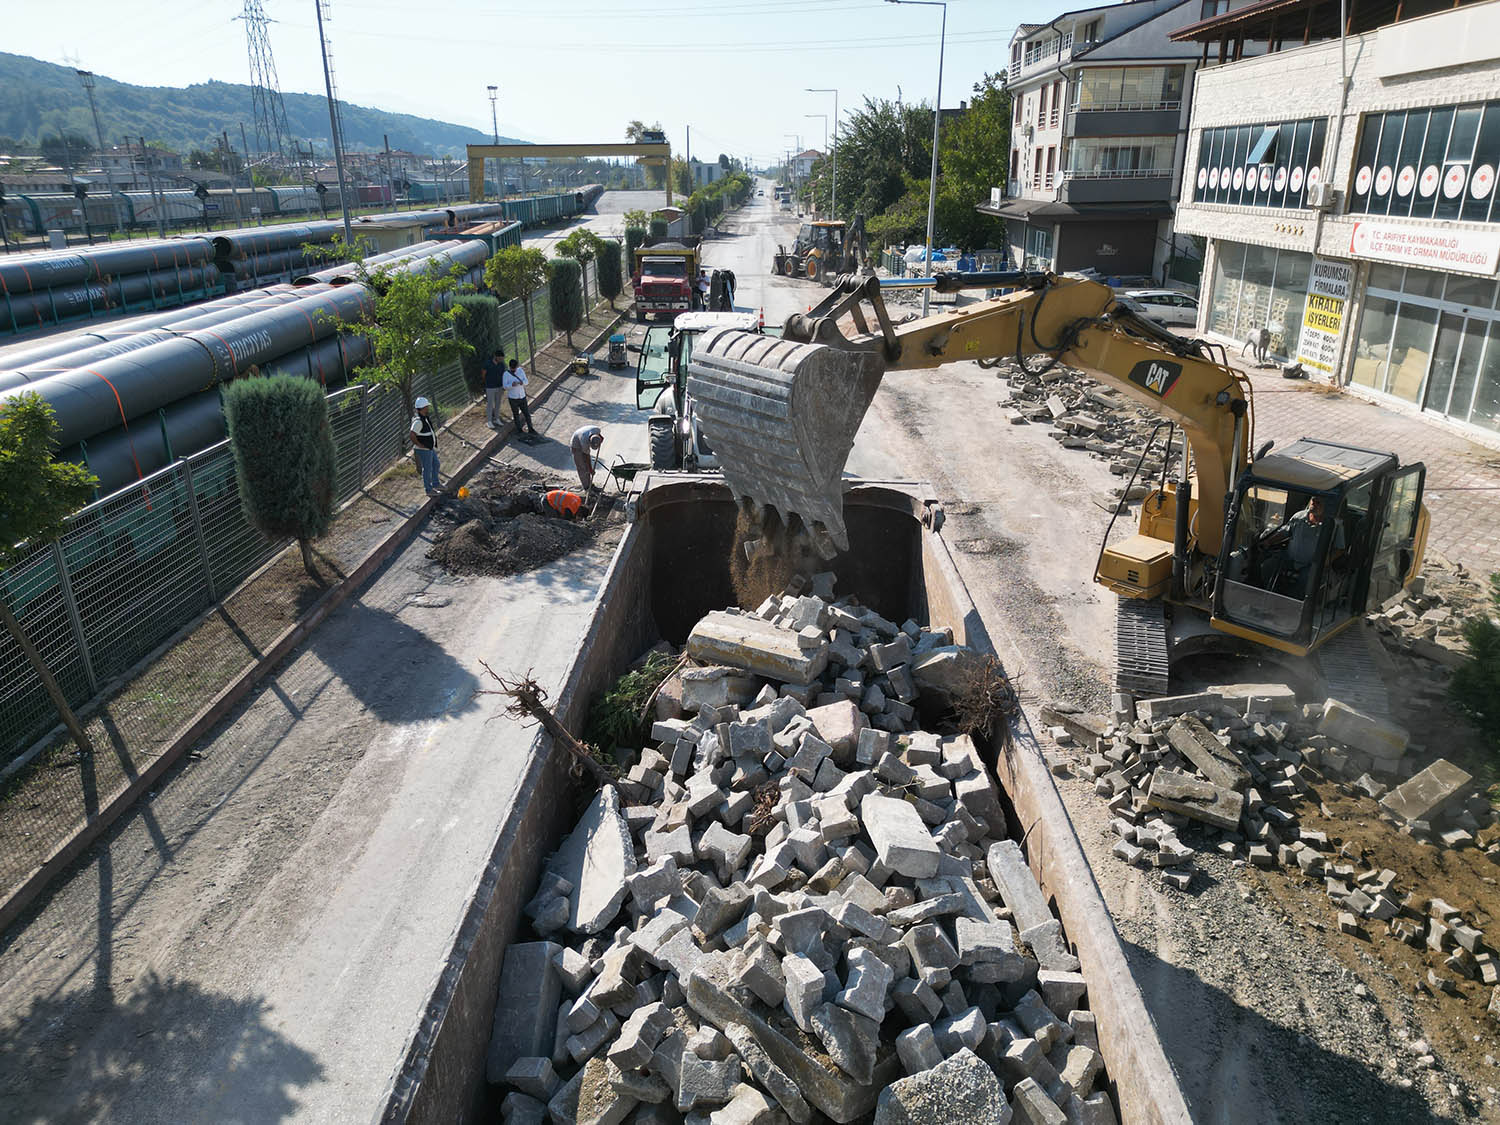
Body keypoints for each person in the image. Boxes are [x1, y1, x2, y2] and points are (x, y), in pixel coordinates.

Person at [1260, 495, 1344, 594]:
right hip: (1289, 558)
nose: (1314, 504)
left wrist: (1324, 561)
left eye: (1318, 503)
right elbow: (1285, 532)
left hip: (1312, 565)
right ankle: (1270, 594)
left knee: (1308, 580)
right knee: (1267, 566)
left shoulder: (1334, 525)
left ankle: (1294, 603)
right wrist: (1269, 541)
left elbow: (1340, 549)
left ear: (1326, 507)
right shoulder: (1299, 517)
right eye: (1313, 500)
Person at [409, 396, 440, 495]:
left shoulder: (424, 417)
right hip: (424, 449)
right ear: (423, 407)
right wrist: (419, 445)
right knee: (427, 469)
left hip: (429, 448)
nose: (428, 408)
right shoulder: (418, 421)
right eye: (427, 406)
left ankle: (436, 484)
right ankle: (429, 490)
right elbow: (412, 434)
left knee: (436, 464)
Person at [503, 358, 539, 439]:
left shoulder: (520, 371)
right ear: (510, 367)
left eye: (515, 368)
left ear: (517, 367)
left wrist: (522, 382)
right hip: (513, 398)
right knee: (516, 414)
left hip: (522, 396)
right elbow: (505, 386)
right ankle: (519, 430)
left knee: (526, 413)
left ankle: (531, 429)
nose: (514, 370)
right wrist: (511, 385)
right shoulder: (506, 374)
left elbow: (526, 381)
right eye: (513, 369)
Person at [570, 425, 604, 492]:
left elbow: (602, 437)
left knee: (587, 467)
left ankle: (590, 485)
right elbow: (587, 457)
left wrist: (600, 441)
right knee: (582, 467)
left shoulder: (597, 430)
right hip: (576, 445)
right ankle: (587, 487)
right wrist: (590, 469)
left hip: (582, 435)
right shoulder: (584, 441)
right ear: (589, 443)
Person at [481, 348, 507, 429]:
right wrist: (486, 383)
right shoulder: (487, 364)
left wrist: (503, 386)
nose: (501, 360)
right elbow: (483, 374)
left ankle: (496, 419)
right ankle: (489, 421)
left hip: (499, 386)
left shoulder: (502, 364)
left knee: (498, 403)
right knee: (490, 404)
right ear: (495, 357)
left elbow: (504, 375)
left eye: (502, 359)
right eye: (499, 358)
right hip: (490, 387)